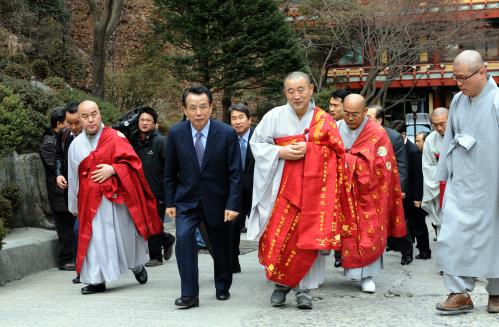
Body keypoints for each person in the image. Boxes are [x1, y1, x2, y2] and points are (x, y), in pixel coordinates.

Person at [248, 72, 345, 309]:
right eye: (290, 91)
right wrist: (280, 152)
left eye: (301, 90)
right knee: (279, 237)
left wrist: (311, 149)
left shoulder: (324, 120)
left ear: (311, 89)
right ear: (285, 93)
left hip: (314, 192)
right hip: (279, 187)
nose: (296, 96)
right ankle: (281, 285)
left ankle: (305, 290)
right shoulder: (274, 116)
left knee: (307, 238)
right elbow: (256, 144)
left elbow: (338, 154)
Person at [67, 100, 162, 295]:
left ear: (100, 114)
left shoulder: (116, 137)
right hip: (90, 202)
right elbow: (73, 176)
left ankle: (136, 265)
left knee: (125, 238)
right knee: (95, 240)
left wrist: (113, 169)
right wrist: (74, 204)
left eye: (94, 114)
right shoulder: (75, 145)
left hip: (116, 199)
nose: (91, 119)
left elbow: (133, 164)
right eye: (85, 116)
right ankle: (96, 279)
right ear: (79, 119)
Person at [164, 86, 242, 309]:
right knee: (184, 240)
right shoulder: (177, 133)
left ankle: (222, 284)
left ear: (211, 108)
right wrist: (170, 202)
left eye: (203, 107)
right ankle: (189, 294)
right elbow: (170, 172)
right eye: (193, 108)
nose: (198, 112)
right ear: (185, 110)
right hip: (186, 200)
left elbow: (235, 172)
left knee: (220, 246)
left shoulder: (226, 133)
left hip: (218, 200)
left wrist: (233, 204)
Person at [435, 50, 499, 314]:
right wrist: (444, 176)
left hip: (492, 183)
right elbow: (450, 139)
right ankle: (459, 293)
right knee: (452, 235)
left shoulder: (497, 101)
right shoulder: (459, 101)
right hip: (462, 182)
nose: (459, 83)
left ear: (483, 73)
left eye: (463, 77)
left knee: (495, 237)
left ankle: (496, 292)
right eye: (455, 77)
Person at [337, 94, 406, 294]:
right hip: (344, 190)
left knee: (370, 231)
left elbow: (384, 165)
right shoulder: (335, 128)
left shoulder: (377, 133)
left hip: (370, 193)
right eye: (346, 113)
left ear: (365, 112)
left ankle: (368, 276)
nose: (349, 118)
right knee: (348, 231)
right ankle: (351, 271)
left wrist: (354, 162)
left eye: (355, 114)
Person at [129, 107, 176, 268]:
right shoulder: (134, 140)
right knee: (145, 222)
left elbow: (170, 168)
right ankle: (167, 239)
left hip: (158, 191)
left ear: (155, 124)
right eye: (142, 120)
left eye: (148, 120)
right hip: (139, 191)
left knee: (153, 222)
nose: (144, 123)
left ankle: (156, 256)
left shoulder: (161, 141)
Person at [367, 106, 412, 266]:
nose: (365, 120)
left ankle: (406, 251)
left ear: (379, 120)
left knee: (397, 219)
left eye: (369, 116)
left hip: (389, 186)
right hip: (369, 187)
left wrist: (401, 189)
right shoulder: (362, 134)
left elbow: (402, 165)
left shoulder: (393, 137)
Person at [40, 107, 76, 271]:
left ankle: (74, 257)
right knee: (65, 228)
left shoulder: (65, 138)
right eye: (67, 123)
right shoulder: (48, 143)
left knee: (73, 226)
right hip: (58, 193)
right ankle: (65, 259)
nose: (70, 126)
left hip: (69, 190)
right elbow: (55, 165)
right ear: (58, 124)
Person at [392, 121, 431, 260]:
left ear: (403, 135)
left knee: (418, 224)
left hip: (413, 194)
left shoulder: (413, 150)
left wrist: (418, 198)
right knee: (407, 223)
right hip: (402, 193)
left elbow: (418, 177)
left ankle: (425, 250)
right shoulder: (396, 148)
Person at [55, 102, 82, 283]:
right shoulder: (64, 135)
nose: (73, 127)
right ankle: (83, 269)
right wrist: (58, 175)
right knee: (77, 229)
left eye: (76, 122)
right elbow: (58, 156)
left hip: (93, 191)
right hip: (72, 191)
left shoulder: (96, 136)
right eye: (69, 122)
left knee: (80, 230)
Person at [228, 102, 255, 274]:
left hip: (256, 189)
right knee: (232, 226)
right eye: (233, 118)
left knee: (265, 226)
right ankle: (233, 261)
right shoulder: (227, 138)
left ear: (249, 119)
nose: (237, 122)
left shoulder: (260, 137)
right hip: (235, 191)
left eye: (241, 117)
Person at [421, 107, 448, 240]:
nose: (439, 128)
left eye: (442, 124)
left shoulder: (460, 135)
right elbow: (427, 166)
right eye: (435, 125)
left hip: (459, 186)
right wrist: (444, 169)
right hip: (440, 187)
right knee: (442, 222)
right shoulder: (430, 139)